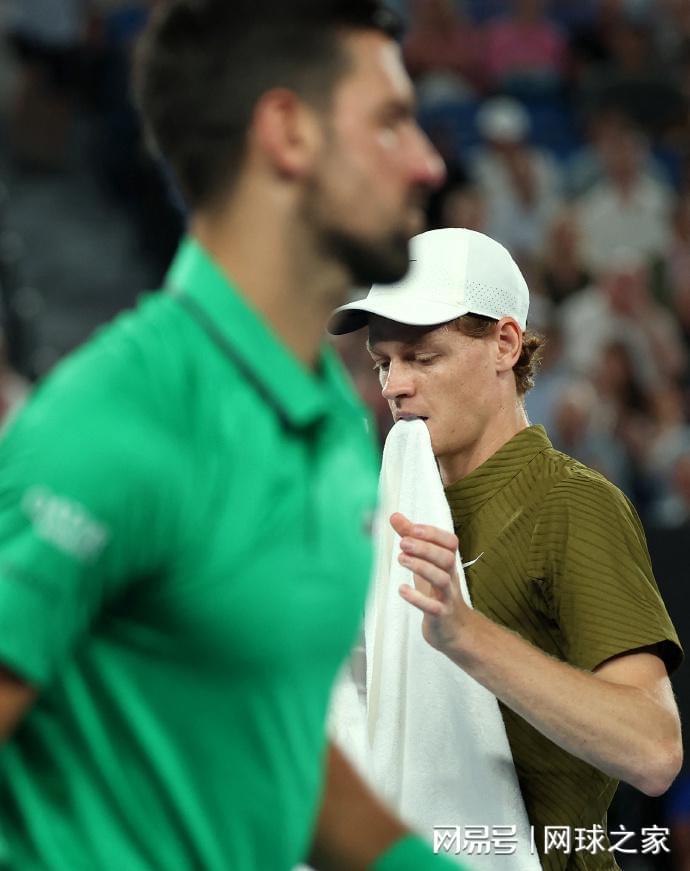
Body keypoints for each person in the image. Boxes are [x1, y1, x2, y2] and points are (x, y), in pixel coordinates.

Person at [0, 2, 457, 870]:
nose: (428, 162)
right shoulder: (112, 422)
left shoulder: (334, 416)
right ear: (288, 133)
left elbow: (265, 734)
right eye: (391, 122)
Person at [329, 227, 683, 869]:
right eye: (384, 363)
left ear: (505, 344)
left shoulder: (572, 504)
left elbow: (654, 750)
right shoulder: (386, 514)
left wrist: (466, 636)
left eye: (423, 357)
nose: (394, 386)